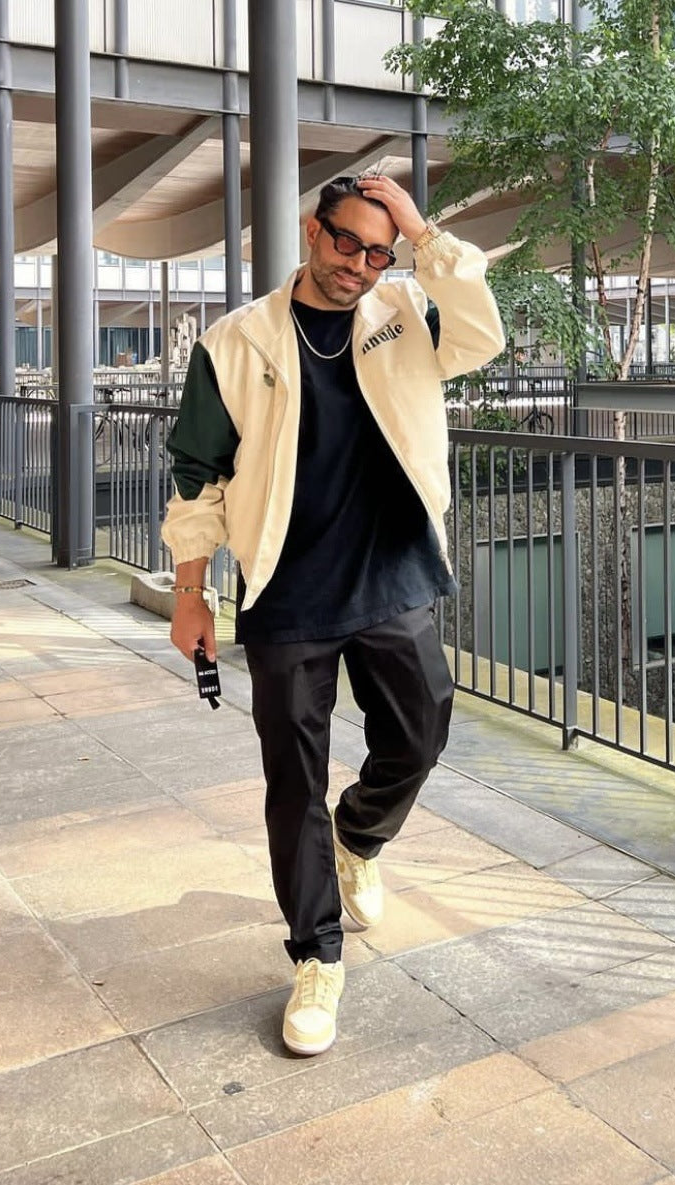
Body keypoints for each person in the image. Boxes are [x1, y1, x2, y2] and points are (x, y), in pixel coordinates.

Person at [160, 173, 504, 1056]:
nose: (358, 264)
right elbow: (198, 475)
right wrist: (192, 593)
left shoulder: (406, 312)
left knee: (421, 732)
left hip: (394, 570)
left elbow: (482, 333)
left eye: (378, 252)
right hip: (287, 589)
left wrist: (424, 238)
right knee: (292, 781)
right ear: (313, 230)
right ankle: (316, 955)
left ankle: (359, 834)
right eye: (346, 242)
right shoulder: (236, 341)